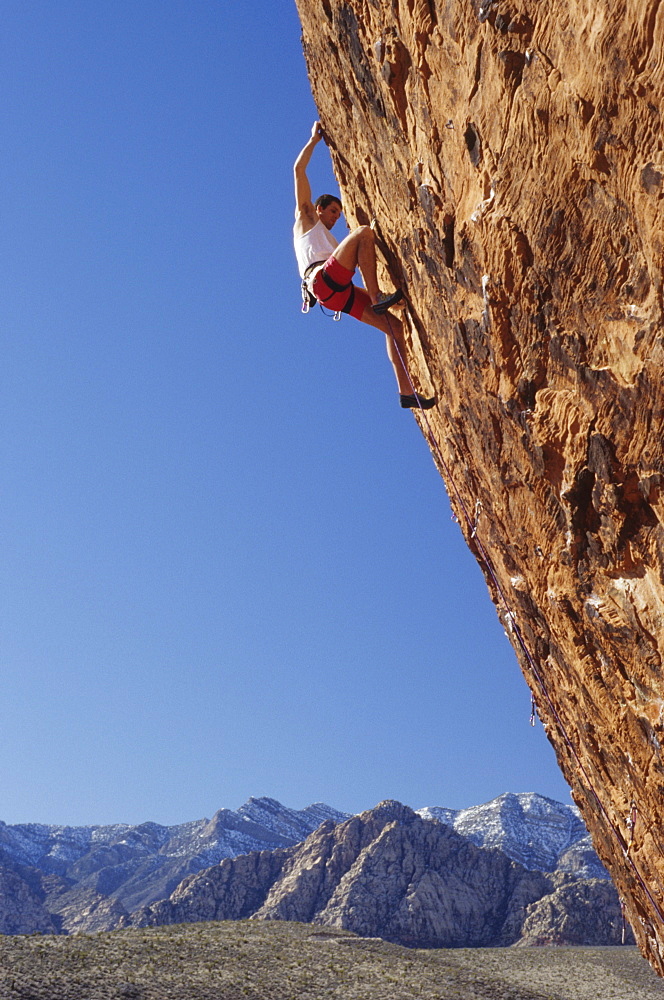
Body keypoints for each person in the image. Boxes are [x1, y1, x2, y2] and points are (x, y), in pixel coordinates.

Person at [293, 122, 435, 410]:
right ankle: (377, 297)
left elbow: (343, 277)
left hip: (337, 293)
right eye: (332, 211)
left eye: (337, 214)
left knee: (394, 328)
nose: (335, 218)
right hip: (321, 282)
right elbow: (298, 171)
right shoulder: (307, 218)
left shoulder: (331, 243)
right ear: (319, 208)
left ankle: (406, 392)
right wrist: (313, 141)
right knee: (362, 233)